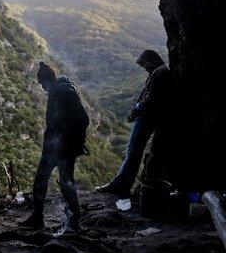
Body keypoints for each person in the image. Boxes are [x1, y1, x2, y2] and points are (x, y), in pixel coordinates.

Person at [20, 61, 89, 232]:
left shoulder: (65, 92)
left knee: (65, 182)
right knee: (44, 180)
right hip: (54, 145)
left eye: (42, 83)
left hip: (64, 148)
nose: (42, 88)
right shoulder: (56, 91)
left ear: (48, 80)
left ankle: (74, 218)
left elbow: (83, 120)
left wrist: (71, 141)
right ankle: (38, 218)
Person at [95, 50, 172, 197]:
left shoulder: (159, 73)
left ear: (150, 61)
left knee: (133, 152)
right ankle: (123, 183)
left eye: (144, 64)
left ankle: (120, 184)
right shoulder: (158, 71)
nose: (143, 67)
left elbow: (150, 98)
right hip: (148, 117)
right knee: (134, 152)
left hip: (146, 118)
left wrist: (136, 110)